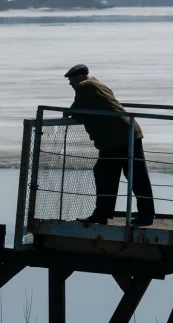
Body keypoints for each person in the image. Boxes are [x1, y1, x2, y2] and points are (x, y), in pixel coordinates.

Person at [64, 64, 155, 226]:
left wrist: (67, 112)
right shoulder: (97, 84)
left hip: (116, 138)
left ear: (78, 78)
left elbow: (76, 109)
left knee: (107, 174)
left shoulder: (86, 86)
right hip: (125, 133)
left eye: (70, 80)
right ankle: (144, 215)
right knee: (134, 176)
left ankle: (103, 214)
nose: (70, 84)